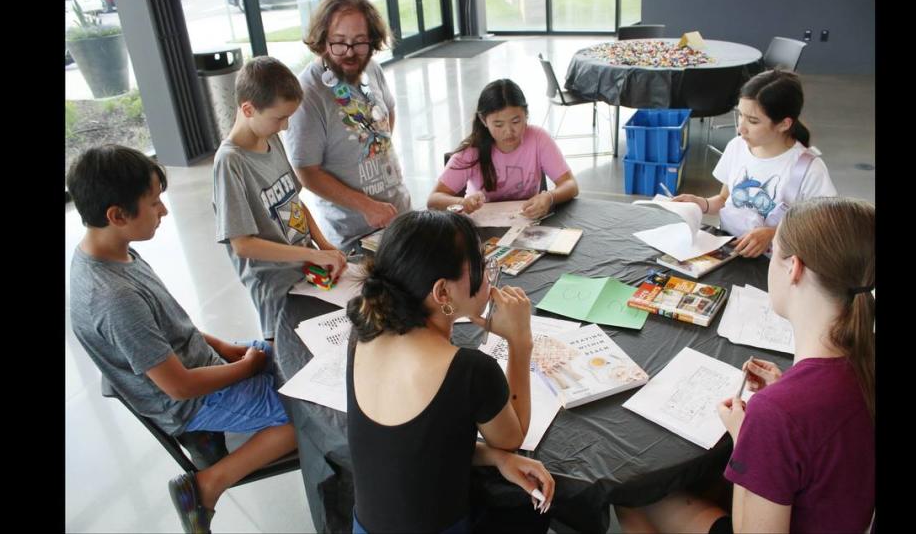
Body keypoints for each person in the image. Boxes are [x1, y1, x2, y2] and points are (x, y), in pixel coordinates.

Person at [68, 145, 298, 534]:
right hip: (190, 401)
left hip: (203, 365)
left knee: (292, 354)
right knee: (308, 415)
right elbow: (178, 387)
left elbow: (171, 326)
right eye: (154, 203)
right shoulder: (113, 298)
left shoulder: (116, 251)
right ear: (117, 215)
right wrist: (244, 368)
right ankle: (207, 486)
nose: (164, 211)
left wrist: (226, 349)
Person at [615, 197, 875, 533]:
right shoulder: (862, 361)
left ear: (794, 268)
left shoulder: (775, 415)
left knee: (632, 495)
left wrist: (747, 440)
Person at [345, 210, 555, 533]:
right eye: (481, 268)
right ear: (442, 293)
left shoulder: (362, 336)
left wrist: (496, 459)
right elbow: (512, 437)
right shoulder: (469, 371)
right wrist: (519, 341)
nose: (488, 277)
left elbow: (416, 447)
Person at [213, 55, 347, 341]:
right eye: (279, 118)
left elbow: (295, 202)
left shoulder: (270, 137)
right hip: (275, 287)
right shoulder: (230, 162)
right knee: (288, 354)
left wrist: (324, 246)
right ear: (248, 109)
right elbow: (243, 244)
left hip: (306, 270)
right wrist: (314, 253)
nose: (285, 127)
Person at [283, 0, 412, 249]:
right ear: (322, 41)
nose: (351, 53)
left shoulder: (372, 68)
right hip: (355, 234)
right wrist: (366, 205)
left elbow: (389, 111)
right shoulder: (308, 94)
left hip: (399, 214)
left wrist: (377, 154)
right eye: (339, 43)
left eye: (360, 42)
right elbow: (306, 171)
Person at [673, 69, 836, 258]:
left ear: (784, 124)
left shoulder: (809, 169)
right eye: (740, 115)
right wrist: (701, 203)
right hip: (729, 252)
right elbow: (725, 199)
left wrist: (773, 234)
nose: (740, 127)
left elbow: (823, 230)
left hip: (775, 265)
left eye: (753, 121)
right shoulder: (736, 147)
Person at [427, 78, 579, 218]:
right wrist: (463, 203)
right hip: (482, 228)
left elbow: (570, 185)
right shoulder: (472, 151)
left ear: (526, 115)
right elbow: (434, 199)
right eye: (498, 124)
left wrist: (550, 197)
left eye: (516, 121)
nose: (509, 132)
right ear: (483, 120)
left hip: (527, 223)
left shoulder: (538, 138)